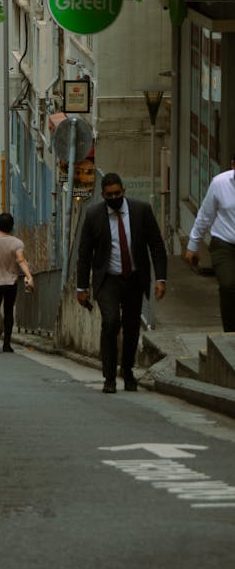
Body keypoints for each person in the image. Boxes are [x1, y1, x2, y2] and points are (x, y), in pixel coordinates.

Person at [77, 172, 167, 394]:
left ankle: (127, 371)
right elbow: (84, 253)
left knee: (131, 326)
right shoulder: (93, 215)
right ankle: (109, 377)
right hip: (108, 279)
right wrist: (82, 288)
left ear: (124, 192)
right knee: (110, 322)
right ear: (103, 195)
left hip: (135, 278)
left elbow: (156, 245)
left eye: (117, 193)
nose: (114, 198)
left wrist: (161, 278)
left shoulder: (141, 211)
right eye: (109, 195)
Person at [184, 155, 235, 331]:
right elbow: (205, 215)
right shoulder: (219, 184)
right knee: (228, 284)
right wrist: (193, 244)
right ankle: (230, 333)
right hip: (224, 243)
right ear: (233, 165)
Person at [0, 213, 34, 353]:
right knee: (9, 312)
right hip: (11, 283)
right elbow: (21, 260)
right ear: (12, 225)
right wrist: (29, 276)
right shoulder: (17, 243)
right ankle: (7, 344)